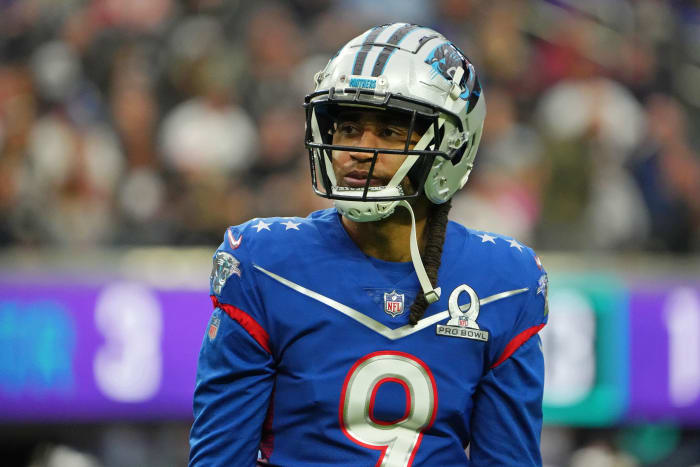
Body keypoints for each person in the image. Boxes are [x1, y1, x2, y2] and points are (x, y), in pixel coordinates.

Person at [189, 22, 549, 466]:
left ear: (453, 148)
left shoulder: (504, 282)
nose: (360, 149)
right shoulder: (264, 264)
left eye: (391, 131)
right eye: (349, 127)